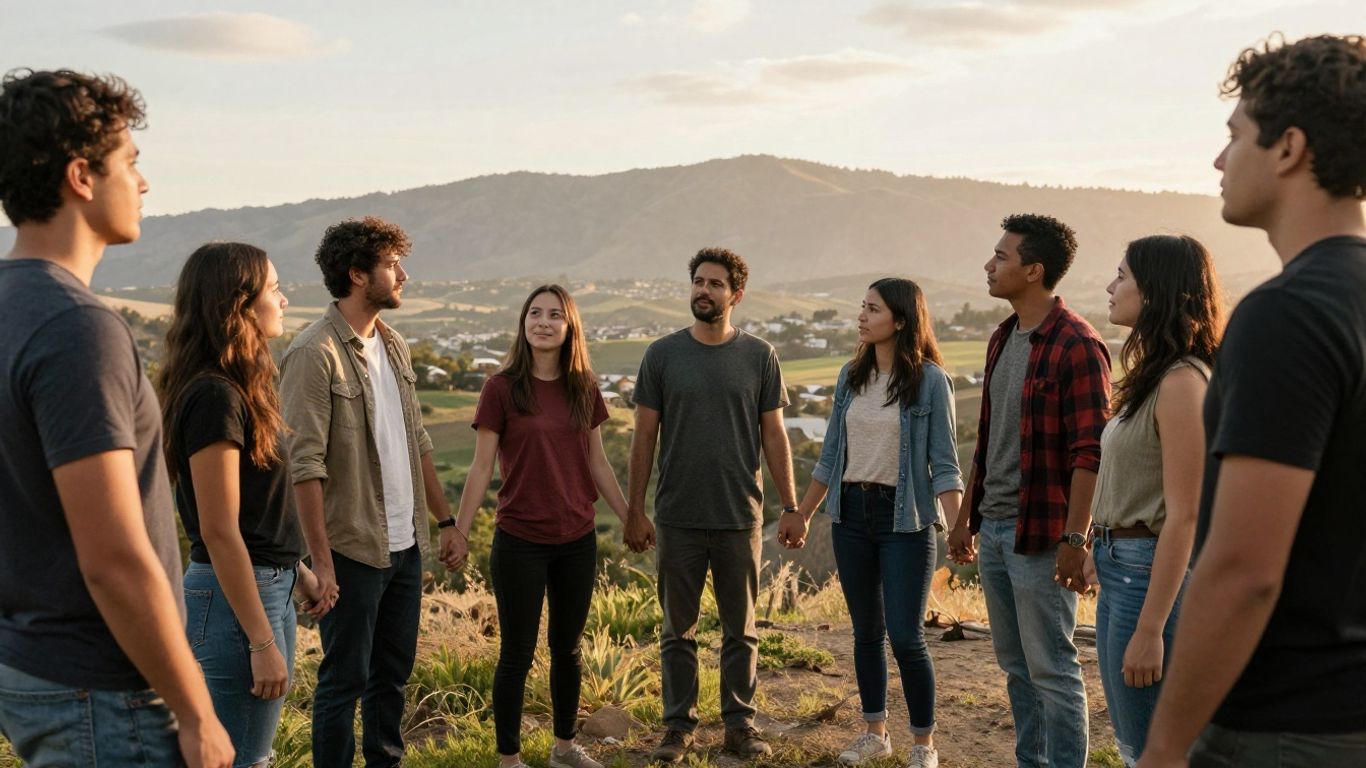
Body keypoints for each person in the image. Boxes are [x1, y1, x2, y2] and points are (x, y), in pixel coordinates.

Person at [1139, 34, 1366, 768]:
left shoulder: (1288, 314)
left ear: (1289, 148)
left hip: (1287, 726)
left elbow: (1243, 567)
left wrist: (1166, 746)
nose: (1217, 160)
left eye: (1234, 135)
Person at [0, 69, 233, 768]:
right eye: (131, 162)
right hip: (102, 689)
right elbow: (113, 558)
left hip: (32, 666)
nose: (144, 183)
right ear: (81, 176)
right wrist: (196, 712)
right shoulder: (77, 327)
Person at [279, 217, 460, 768]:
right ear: (358, 275)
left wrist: (446, 521)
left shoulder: (394, 343)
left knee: (391, 678)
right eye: (391, 265)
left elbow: (418, 438)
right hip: (351, 548)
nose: (403, 274)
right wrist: (322, 563)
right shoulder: (314, 353)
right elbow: (302, 466)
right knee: (343, 681)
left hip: (404, 546)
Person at [947, 214, 1111, 768]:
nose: (989, 266)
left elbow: (1091, 452)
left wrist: (1076, 538)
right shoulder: (1001, 337)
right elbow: (988, 441)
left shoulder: (1078, 345)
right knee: (1016, 667)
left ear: (1034, 270)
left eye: (1001, 257)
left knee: (1053, 668)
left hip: (1042, 535)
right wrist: (965, 517)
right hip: (993, 529)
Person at [624, 247, 798, 763]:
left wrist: (791, 505)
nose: (704, 290)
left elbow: (775, 435)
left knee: (740, 631)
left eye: (716, 283)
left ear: (735, 294)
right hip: (677, 515)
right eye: (698, 281)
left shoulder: (760, 356)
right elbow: (643, 437)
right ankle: (678, 729)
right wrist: (635, 508)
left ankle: (739, 727)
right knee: (678, 631)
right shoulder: (662, 355)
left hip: (738, 516)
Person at [158, 242, 329, 767]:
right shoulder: (214, 396)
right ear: (240, 304)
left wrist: (293, 565)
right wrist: (259, 642)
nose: (283, 297)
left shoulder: (240, 386)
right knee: (241, 759)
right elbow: (218, 529)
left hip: (264, 584)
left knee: (247, 754)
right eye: (273, 288)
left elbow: (256, 507)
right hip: (236, 599)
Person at [780, 278, 962, 768]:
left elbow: (945, 464)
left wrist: (958, 526)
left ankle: (924, 744)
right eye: (861, 307)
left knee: (906, 636)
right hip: (851, 516)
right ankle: (874, 731)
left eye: (872, 309)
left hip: (905, 519)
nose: (861, 316)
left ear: (900, 320)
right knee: (866, 632)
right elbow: (831, 456)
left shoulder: (929, 381)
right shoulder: (850, 376)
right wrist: (803, 513)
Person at [450, 285, 630, 768]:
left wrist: (632, 514)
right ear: (523, 323)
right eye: (535, 313)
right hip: (519, 541)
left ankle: (565, 748)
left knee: (568, 649)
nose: (544, 322)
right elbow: (481, 467)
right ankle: (509, 759)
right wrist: (460, 530)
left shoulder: (583, 386)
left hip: (577, 539)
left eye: (555, 314)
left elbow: (598, 463)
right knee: (516, 654)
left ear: (570, 326)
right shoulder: (502, 387)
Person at [1087, 236, 1222, 767]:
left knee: (1149, 750)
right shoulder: (1155, 378)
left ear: (1157, 289)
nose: (1110, 285)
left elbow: (1185, 515)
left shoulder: (1182, 382)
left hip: (1147, 581)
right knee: (1135, 742)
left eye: (1122, 275)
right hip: (1124, 568)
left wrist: (1149, 629)